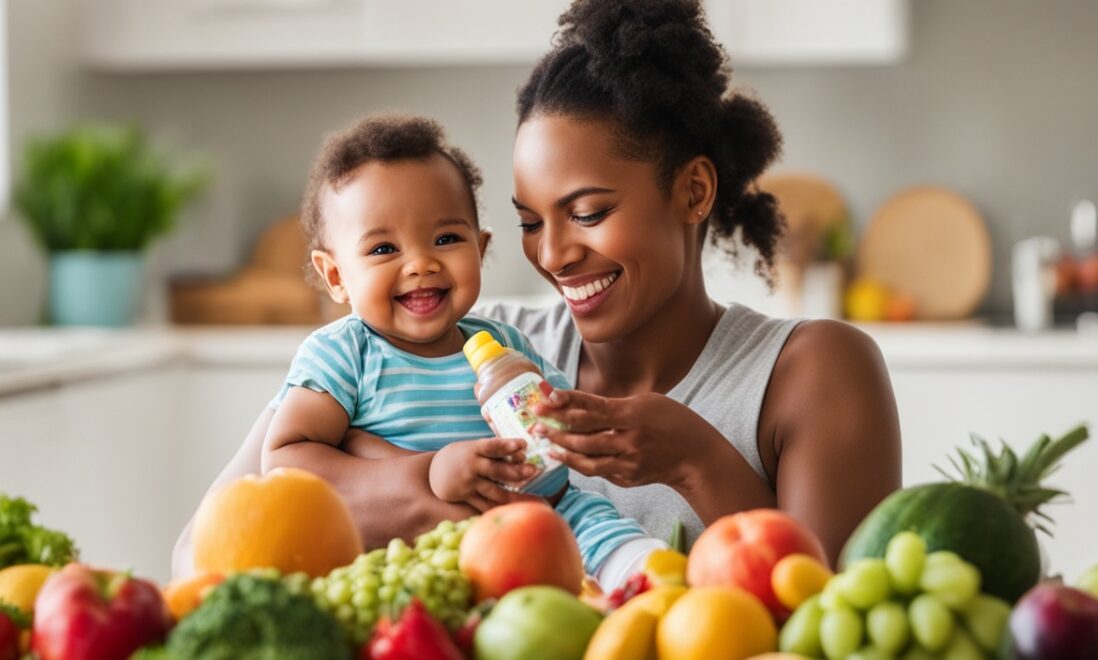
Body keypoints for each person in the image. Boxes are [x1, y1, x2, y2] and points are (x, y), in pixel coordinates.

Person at [173, 0, 900, 577]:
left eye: (588, 213)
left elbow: (830, 622)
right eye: (529, 220)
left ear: (694, 190)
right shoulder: (467, 344)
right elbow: (205, 550)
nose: (552, 255)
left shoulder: (812, 372)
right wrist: (428, 481)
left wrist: (695, 459)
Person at [259, 113, 660, 588]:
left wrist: (563, 418)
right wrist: (429, 469)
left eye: (446, 239)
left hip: (523, 521)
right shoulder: (345, 353)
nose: (421, 264)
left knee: (579, 507)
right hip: (401, 549)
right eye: (384, 249)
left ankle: (634, 571)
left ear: (481, 246)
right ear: (336, 277)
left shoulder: (504, 343)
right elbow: (284, 461)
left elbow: (560, 421)